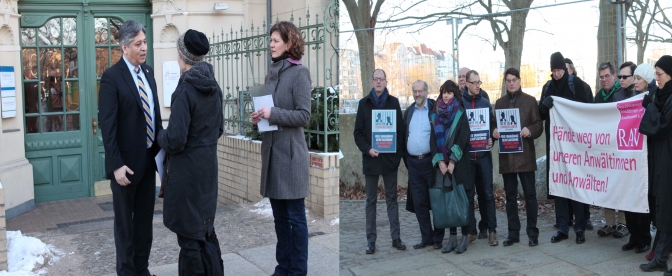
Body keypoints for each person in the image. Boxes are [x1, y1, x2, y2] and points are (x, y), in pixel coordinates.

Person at [156, 29, 224, 275]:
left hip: (186, 176)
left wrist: (158, 134)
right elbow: (219, 129)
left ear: (182, 55)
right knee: (204, 232)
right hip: (207, 171)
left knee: (189, 239)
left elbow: (175, 140)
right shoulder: (214, 87)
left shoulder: (185, 89)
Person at [98, 20, 163, 276]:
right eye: (138, 44)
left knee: (145, 223)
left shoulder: (148, 73)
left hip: (148, 163)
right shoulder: (112, 77)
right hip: (125, 167)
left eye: (145, 42)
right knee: (125, 226)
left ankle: (142, 269)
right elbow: (108, 125)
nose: (144, 48)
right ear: (124, 47)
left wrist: (162, 158)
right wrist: (115, 165)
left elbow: (155, 118)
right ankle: (126, 272)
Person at [250, 21, 312, 276]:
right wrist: (259, 117)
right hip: (273, 155)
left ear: (289, 43)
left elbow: (304, 116)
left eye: (276, 40)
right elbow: (271, 114)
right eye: (271, 40)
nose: (271, 45)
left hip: (291, 156)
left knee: (295, 219)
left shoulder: (300, 73)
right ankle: (282, 267)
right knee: (279, 219)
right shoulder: (271, 73)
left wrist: (273, 113)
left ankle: (297, 270)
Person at [539, 52, 590, 244]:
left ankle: (579, 226)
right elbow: (540, 115)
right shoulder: (548, 86)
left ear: (565, 69)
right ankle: (562, 226)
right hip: (556, 146)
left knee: (576, 184)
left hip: (575, 144)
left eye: (559, 70)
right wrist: (544, 106)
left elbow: (587, 108)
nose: (557, 73)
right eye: (554, 70)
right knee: (559, 185)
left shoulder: (576, 85)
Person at [353, 68, 406, 254]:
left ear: (386, 82)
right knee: (371, 201)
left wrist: (397, 156)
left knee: (392, 199)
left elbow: (400, 133)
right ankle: (371, 241)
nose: (378, 82)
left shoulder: (394, 103)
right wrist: (368, 149)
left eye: (381, 79)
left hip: (390, 161)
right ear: (371, 81)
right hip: (371, 160)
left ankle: (396, 237)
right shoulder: (363, 104)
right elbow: (357, 133)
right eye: (375, 79)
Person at [492, 68, 543, 247]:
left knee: (530, 196)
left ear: (520, 81)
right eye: (508, 80)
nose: (511, 83)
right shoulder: (499, 103)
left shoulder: (529, 101)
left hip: (525, 157)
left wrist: (530, 130)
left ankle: (532, 232)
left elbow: (539, 125)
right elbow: (493, 126)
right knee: (511, 197)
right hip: (507, 158)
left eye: (514, 80)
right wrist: (494, 132)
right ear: (505, 83)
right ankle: (513, 233)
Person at [639, 55, 672, 274]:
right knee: (663, 211)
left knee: (667, 210)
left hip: (669, 160)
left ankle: (661, 256)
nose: (656, 79)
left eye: (659, 74)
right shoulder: (662, 95)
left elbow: (661, 126)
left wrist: (650, 106)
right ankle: (660, 256)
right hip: (661, 160)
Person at [430, 80, 472, 254]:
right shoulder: (435, 114)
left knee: (461, 200)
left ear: (455, 94)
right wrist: (440, 161)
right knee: (448, 201)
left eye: (449, 92)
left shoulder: (461, 113)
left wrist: (453, 161)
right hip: (443, 166)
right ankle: (452, 238)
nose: (446, 95)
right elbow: (433, 140)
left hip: (459, 164)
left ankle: (465, 238)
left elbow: (464, 138)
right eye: (443, 92)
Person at [403, 80, 444, 250]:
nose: (417, 94)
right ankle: (426, 237)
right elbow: (404, 134)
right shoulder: (409, 111)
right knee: (419, 203)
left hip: (430, 162)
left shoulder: (434, 110)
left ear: (427, 91)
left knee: (436, 200)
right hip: (413, 164)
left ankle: (438, 238)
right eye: (415, 91)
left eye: (420, 91)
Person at [620, 63, 655, 256]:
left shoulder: (652, 98)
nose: (635, 81)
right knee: (628, 197)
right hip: (630, 153)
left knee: (641, 197)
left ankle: (644, 238)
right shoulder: (633, 97)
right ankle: (633, 236)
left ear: (647, 80)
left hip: (645, 156)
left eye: (639, 78)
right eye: (635, 78)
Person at [594, 61, 631, 239]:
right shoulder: (598, 98)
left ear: (614, 76)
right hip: (605, 148)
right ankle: (609, 223)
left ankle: (623, 222)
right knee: (606, 184)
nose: (604, 79)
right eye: (601, 77)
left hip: (621, 147)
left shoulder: (622, 93)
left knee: (621, 184)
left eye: (607, 76)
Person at [462, 70, 497, 246]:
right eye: (474, 82)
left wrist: (493, 138)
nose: (478, 86)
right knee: (468, 195)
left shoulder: (485, 102)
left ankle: (492, 231)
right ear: (466, 84)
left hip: (483, 156)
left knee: (488, 194)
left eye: (479, 82)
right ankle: (470, 231)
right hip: (467, 158)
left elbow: (492, 126)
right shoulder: (461, 104)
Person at [563, 58, 594, 231]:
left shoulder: (582, 87)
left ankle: (585, 217)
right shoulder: (554, 88)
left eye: (566, 69)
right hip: (565, 143)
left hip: (581, 142)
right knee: (566, 181)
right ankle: (568, 217)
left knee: (582, 181)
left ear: (572, 71)